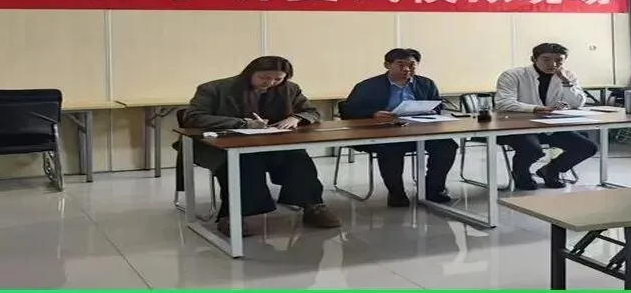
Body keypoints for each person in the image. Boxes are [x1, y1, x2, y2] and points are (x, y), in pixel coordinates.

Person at [181, 56, 342, 235]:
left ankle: (313, 206)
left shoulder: (290, 89)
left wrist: (296, 118)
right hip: (225, 145)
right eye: (264, 77)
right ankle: (233, 215)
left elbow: (311, 111)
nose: (270, 83)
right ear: (250, 73)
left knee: (297, 159)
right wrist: (242, 123)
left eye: (278, 79)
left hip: (272, 142)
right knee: (244, 163)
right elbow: (193, 117)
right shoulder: (214, 89)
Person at [342, 48, 458, 207]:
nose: (407, 69)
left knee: (447, 145)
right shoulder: (368, 86)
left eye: (411, 65)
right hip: (382, 133)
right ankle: (396, 193)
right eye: (401, 64)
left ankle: (432, 189)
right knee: (390, 148)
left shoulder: (426, 84)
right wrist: (373, 113)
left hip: (419, 131)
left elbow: (437, 104)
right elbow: (348, 111)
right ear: (387, 65)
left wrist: (429, 110)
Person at [493, 42, 597, 190]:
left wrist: (566, 82)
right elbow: (503, 103)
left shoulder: (567, 76)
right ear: (533, 59)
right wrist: (536, 108)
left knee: (587, 147)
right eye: (546, 59)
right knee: (532, 149)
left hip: (550, 127)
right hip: (517, 128)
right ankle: (521, 174)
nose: (553, 64)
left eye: (559, 61)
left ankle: (551, 170)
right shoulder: (513, 75)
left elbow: (577, 103)